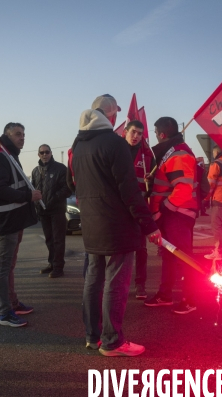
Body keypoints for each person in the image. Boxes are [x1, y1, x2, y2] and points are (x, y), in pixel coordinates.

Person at [72, 95, 161, 357]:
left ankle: (93, 336)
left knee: (93, 280)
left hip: (90, 224)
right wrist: (149, 226)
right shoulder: (115, 142)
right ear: (112, 116)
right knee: (116, 282)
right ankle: (112, 341)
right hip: (117, 225)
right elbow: (129, 191)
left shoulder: (79, 144)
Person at [144, 117, 199, 315]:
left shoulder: (178, 153)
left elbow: (183, 189)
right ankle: (166, 295)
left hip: (177, 215)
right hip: (174, 214)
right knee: (170, 257)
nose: (156, 136)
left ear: (162, 134)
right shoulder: (172, 153)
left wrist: (164, 211)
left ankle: (190, 299)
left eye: (156, 132)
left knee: (183, 258)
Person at [0, 122, 42, 328]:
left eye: (23, 134)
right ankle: (5, 313)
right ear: (7, 136)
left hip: (14, 220)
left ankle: (13, 303)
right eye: (18, 134)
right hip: (7, 222)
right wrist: (28, 196)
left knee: (9, 266)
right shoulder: (1, 157)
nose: (22, 138)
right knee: (4, 268)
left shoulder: (10, 156)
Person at [122, 120, 153, 299]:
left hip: (140, 208)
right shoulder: (117, 151)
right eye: (133, 132)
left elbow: (153, 186)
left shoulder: (147, 156)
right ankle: (121, 284)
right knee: (121, 250)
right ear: (125, 131)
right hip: (120, 209)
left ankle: (140, 285)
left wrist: (151, 181)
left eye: (139, 134)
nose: (136, 136)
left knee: (141, 248)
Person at [31, 144, 71, 278]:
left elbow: (67, 188)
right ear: (38, 154)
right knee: (49, 239)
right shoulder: (35, 171)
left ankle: (59, 267)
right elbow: (34, 190)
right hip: (43, 212)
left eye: (47, 152)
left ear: (51, 153)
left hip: (57, 210)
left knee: (58, 239)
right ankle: (52, 264)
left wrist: (53, 199)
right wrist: (36, 205)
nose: (44, 154)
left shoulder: (60, 168)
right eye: (41, 152)